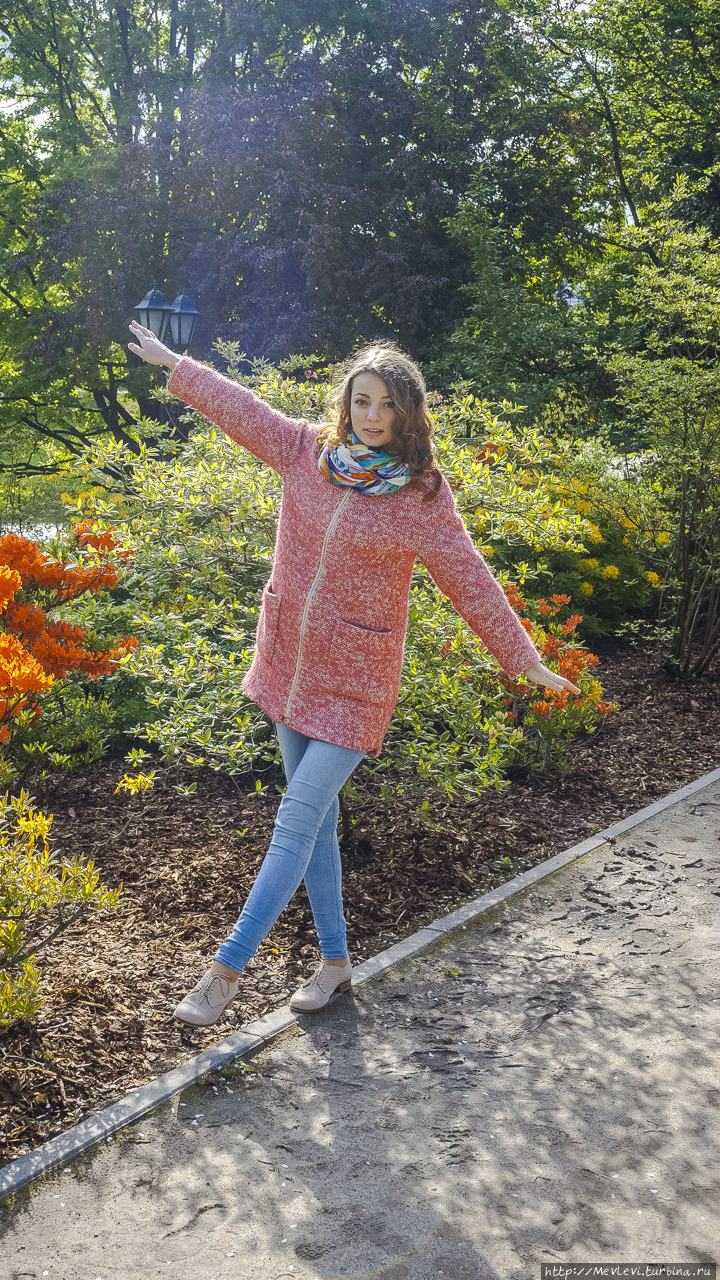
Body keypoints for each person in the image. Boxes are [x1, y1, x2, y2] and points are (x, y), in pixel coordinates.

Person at [127, 320, 580, 1028]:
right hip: (288, 664)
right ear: (346, 402)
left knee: (295, 819)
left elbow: (468, 577)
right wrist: (174, 365)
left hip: (357, 683)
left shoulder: (422, 495)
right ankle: (336, 964)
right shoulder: (304, 451)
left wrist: (521, 657)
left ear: (408, 413)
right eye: (361, 401)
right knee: (318, 826)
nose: (371, 416)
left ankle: (225, 972)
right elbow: (241, 407)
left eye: (386, 405)